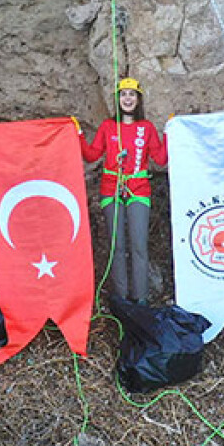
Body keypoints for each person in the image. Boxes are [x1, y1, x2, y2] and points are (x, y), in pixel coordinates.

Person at [77, 77, 168, 304]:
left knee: (139, 247)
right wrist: (77, 134)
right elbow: (91, 155)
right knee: (116, 248)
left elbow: (160, 158)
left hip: (139, 189)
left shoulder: (145, 128)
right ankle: (121, 299)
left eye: (132, 94)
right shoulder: (108, 127)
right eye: (123, 94)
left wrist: (168, 133)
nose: (127, 98)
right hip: (111, 189)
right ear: (117, 99)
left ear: (138, 99)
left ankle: (141, 301)